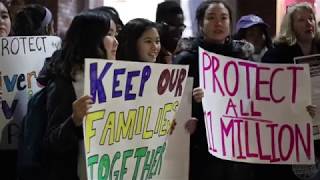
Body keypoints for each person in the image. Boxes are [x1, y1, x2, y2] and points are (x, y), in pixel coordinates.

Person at [174, 1, 254, 179]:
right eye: (211, 18)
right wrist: (191, 103)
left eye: (223, 18)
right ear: (201, 24)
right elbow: (173, 104)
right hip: (200, 149)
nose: (218, 23)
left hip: (237, 149)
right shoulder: (186, 59)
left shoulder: (244, 58)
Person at [42, 10, 118, 180]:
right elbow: (51, 143)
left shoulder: (117, 80)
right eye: (110, 34)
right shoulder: (64, 83)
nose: (116, 42)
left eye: (116, 34)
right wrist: (74, 120)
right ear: (91, 39)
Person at [261, 2, 319, 180]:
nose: (308, 23)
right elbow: (266, 95)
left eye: (311, 18)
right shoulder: (276, 55)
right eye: (301, 20)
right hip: (289, 137)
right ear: (291, 26)